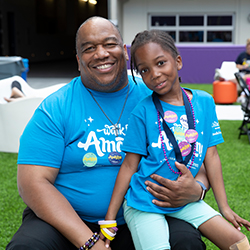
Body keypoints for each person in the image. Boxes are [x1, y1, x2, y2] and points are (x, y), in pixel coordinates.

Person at [6, 17, 208, 250]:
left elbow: (198, 162)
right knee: (28, 247)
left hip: (146, 212)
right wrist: (90, 241)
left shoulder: (158, 99)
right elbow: (33, 182)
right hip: (69, 219)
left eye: (109, 44)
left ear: (124, 51)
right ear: (78, 59)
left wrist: (198, 190)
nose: (101, 54)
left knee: (185, 242)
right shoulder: (56, 107)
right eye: (89, 48)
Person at [101, 30, 250, 250]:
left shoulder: (204, 102)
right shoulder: (142, 111)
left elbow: (212, 155)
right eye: (144, 70)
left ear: (178, 61)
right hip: (145, 202)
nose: (155, 74)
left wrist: (224, 207)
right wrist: (110, 217)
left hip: (183, 200)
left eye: (161, 63)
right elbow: (129, 165)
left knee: (239, 243)